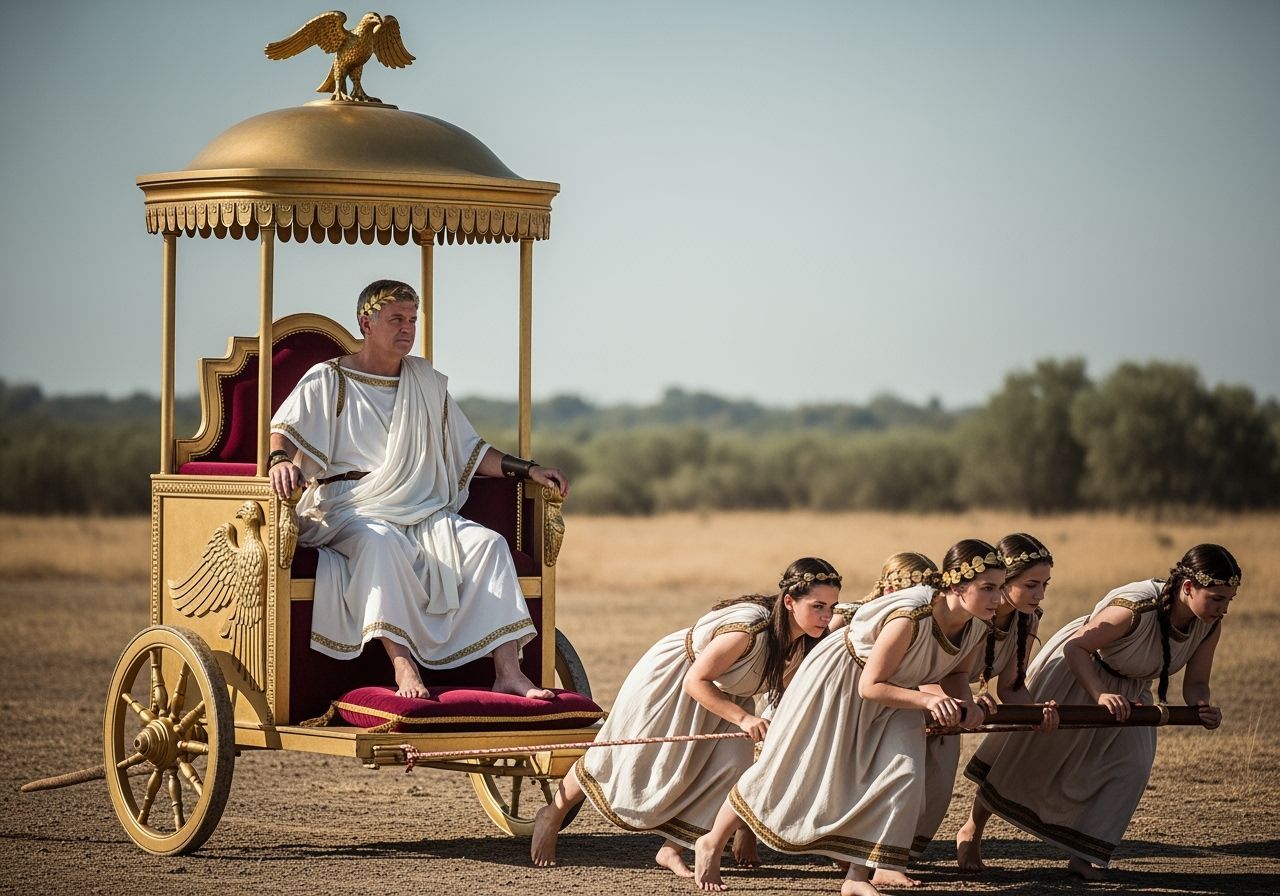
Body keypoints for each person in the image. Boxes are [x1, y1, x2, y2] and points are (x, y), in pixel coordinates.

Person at [268, 279, 570, 701]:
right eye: (396, 319)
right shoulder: (328, 379)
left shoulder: (424, 381)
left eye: (412, 319)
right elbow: (283, 431)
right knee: (382, 542)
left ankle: (508, 672)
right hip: (349, 508)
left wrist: (528, 469)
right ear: (366, 323)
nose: (407, 328)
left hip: (420, 508)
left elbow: (471, 450)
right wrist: (279, 460)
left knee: (489, 545)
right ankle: (404, 666)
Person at [694, 540, 1002, 895]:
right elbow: (870, 686)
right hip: (841, 680)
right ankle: (712, 842)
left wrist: (967, 707)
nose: (998, 597)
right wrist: (928, 702)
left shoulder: (978, 626)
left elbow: (955, 675)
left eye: (999, 586)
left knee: (904, 773)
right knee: (785, 767)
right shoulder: (911, 619)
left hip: (898, 693)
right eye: (988, 588)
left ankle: (857, 878)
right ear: (958, 587)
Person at [530, 558, 842, 877]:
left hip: (729, 693)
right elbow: (695, 681)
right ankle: (552, 815)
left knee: (732, 768)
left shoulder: (805, 641)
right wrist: (745, 719)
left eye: (832, 606)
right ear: (789, 602)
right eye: (818, 606)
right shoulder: (749, 631)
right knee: (623, 755)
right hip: (674, 680)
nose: (826, 616)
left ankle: (672, 848)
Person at [963, 543, 1237, 880]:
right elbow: (1075, 647)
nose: (1223, 609)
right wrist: (1101, 693)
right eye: (1216, 599)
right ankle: (972, 829)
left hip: (1132, 693)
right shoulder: (1135, 608)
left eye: (1228, 600)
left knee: (1133, 767)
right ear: (1188, 588)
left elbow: (1196, 683)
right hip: (1078, 671)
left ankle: (1085, 855)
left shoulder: (1208, 624)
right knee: (1027, 755)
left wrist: (1201, 707)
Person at [953, 533, 1059, 872]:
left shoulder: (1028, 617)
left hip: (961, 701)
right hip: (922, 692)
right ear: (1002, 581)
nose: (1040, 594)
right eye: (1031, 584)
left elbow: (1011, 686)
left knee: (1022, 738)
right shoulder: (971, 609)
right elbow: (935, 673)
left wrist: (1036, 714)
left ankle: (972, 830)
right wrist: (967, 700)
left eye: (1045, 584)